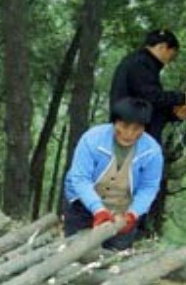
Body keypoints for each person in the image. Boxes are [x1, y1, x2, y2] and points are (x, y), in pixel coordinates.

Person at [63, 98, 164, 251]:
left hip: (122, 210)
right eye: (124, 126)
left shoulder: (152, 151)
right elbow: (80, 178)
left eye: (137, 129)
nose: (129, 134)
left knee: (114, 257)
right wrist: (98, 210)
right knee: (75, 251)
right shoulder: (92, 139)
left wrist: (133, 213)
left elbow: (149, 187)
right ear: (114, 122)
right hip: (83, 205)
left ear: (144, 128)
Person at [109, 29, 186, 143]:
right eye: (171, 55)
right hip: (131, 134)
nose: (169, 61)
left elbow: (149, 104)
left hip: (140, 134)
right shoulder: (140, 63)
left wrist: (174, 114)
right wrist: (183, 97)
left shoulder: (145, 65)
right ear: (162, 47)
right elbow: (151, 96)